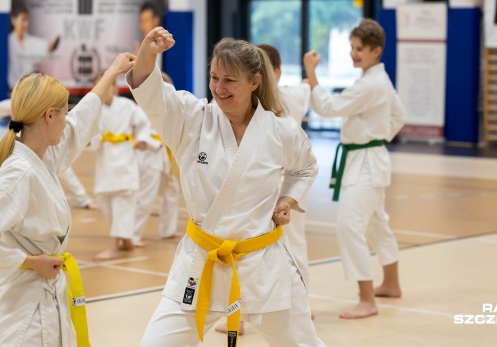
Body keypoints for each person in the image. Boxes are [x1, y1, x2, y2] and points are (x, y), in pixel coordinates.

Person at [129, 27, 324, 346]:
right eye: (214, 77)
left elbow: (305, 167)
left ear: (254, 82)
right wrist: (149, 54)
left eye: (229, 80)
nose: (219, 88)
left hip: (261, 264)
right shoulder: (192, 120)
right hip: (200, 261)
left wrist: (287, 201)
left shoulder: (280, 130)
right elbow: (152, 96)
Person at [0, 53, 135, 346]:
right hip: (25, 311)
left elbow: (80, 121)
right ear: (49, 115)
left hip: (45, 298)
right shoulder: (19, 173)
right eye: (64, 113)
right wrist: (29, 261)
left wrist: (112, 72)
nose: (67, 121)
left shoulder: (42, 154)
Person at [303, 18, 407, 319]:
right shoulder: (380, 81)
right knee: (377, 224)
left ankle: (366, 299)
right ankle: (391, 283)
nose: (353, 53)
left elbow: (328, 108)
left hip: (366, 162)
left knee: (349, 226)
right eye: (352, 47)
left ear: (377, 51)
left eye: (360, 49)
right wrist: (377, 132)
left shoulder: (371, 84)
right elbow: (399, 116)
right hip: (368, 157)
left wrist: (311, 73)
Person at [215, 43, 314, 335]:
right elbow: (311, 89)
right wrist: (310, 71)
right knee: (282, 247)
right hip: (276, 185)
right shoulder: (289, 96)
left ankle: (292, 305)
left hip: (284, 181)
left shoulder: (276, 110)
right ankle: (250, 311)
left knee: (285, 249)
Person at [90, 69, 153, 260]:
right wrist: (96, 139)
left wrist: (141, 139)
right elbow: (90, 132)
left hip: (125, 157)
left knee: (122, 202)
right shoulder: (95, 110)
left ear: (115, 87)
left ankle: (114, 246)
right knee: (106, 202)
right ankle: (125, 241)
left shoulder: (127, 106)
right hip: (105, 159)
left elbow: (144, 124)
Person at [0, 99, 99, 210]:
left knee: (66, 174)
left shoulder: (48, 103)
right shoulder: (27, 99)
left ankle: (83, 200)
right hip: (29, 143)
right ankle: (83, 199)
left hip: (46, 143)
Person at [132, 72, 182, 248]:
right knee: (146, 197)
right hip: (149, 157)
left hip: (165, 158)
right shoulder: (140, 109)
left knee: (171, 194)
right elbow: (139, 136)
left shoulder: (168, 109)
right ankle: (133, 235)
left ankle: (168, 230)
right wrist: (152, 143)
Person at [8, 3, 61, 90]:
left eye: (27, 20)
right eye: (23, 19)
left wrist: (51, 47)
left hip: (30, 90)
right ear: (14, 20)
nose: (25, 24)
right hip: (12, 89)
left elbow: (46, 47)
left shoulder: (32, 41)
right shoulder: (8, 41)